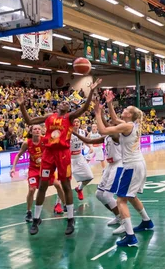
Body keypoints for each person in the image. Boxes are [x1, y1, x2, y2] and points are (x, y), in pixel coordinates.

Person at [18, 78, 101, 236]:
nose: (65, 104)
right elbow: (29, 120)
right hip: (48, 153)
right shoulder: (49, 117)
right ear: (58, 105)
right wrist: (22, 105)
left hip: (63, 153)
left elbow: (83, 108)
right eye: (63, 102)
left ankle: (70, 218)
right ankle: (36, 219)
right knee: (42, 185)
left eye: (68, 104)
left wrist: (91, 91)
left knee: (65, 185)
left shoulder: (69, 118)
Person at [95, 102, 153, 247]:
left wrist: (97, 113)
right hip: (138, 163)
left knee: (121, 200)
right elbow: (114, 119)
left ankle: (130, 236)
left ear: (130, 115)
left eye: (127, 109)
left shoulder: (127, 126)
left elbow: (103, 130)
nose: (124, 110)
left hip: (131, 165)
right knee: (131, 196)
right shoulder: (131, 124)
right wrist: (109, 103)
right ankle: (147, 221)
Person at [11, 125, 66, 222]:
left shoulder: (45, 140)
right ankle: (28, 212)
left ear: (41, 131)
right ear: (31, 132)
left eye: (39, 129)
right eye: (35, 129)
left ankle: (66, 205)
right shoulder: (26, 143)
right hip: (33, 169)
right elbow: (18, 155)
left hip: (46, 168)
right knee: (32, 190)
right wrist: (13, 168)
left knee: (58, 184)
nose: (37, 130)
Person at [70, 118, 94, 201]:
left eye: (78, 122)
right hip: (69, 158)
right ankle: (58, 203)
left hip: (79, 156)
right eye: (74, 121)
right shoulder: (67, 133)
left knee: (89, 177)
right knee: (65, 182)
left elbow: (84, 141)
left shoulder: (82, 132)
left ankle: (79, 188)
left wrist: (90, 146)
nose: (76, 123)